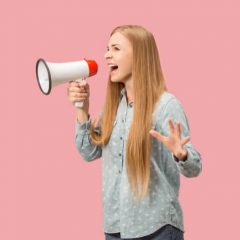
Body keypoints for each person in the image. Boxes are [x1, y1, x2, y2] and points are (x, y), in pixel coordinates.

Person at [67, 25, 202, 240]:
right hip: (115, 227)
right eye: (107, 48)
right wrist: (82, 108)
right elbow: (88, 152)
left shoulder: (166, 105)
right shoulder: (113, 106)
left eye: (116, 48)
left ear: (139, 55)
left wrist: (181, 153)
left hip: (156, 229)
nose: (106, 54)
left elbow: (194, 167)